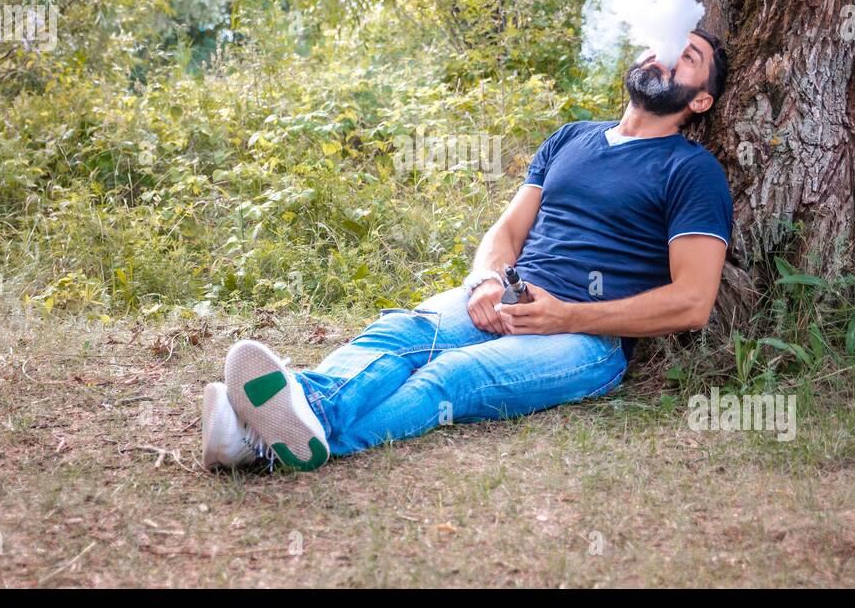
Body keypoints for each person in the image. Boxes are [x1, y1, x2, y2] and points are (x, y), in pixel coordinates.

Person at [202, 30, 734, 471]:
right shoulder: (572, 138)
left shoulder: (691, 171)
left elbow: (692, 302)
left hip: (586, 340)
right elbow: (506, 233)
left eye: (687, 57)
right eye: (663, 43)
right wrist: (486, 280)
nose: (665, 55)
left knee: (449, 376)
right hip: (508, 296)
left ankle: (271, 432)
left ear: (701, 99)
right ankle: (283, 424)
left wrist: (566, 315)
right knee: (406, 332)